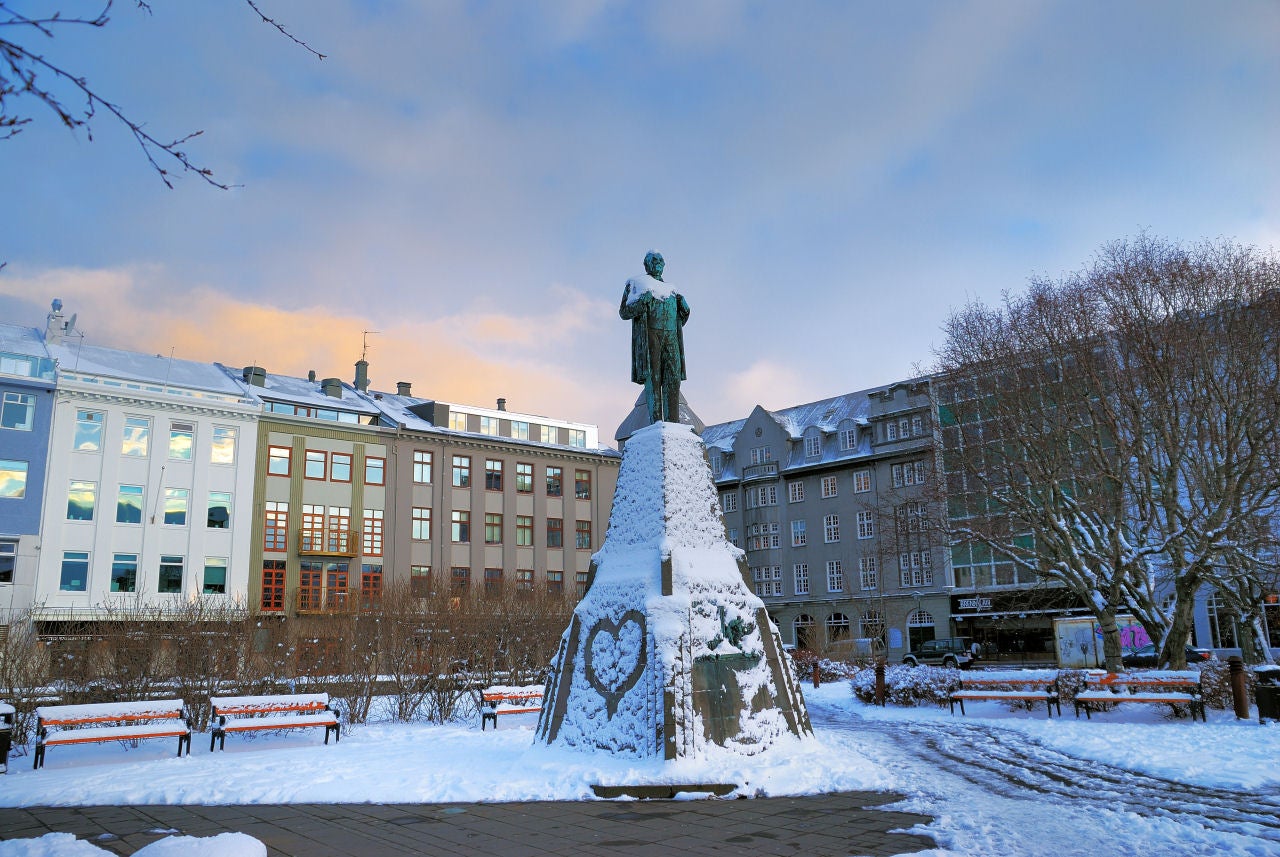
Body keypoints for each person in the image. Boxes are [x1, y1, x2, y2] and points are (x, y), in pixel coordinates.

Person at [619, 251, 690, 424]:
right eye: (654, 260)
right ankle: (656, 422)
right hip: (650, 336)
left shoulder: (671, 290)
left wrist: (685, 309)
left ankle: (673, 423)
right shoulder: (636, 284)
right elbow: (624, 312)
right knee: (654, 379)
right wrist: (642, 301)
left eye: (660, 260)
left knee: (673, 380)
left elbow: (680, 320)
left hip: (671, 337)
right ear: (646, 265)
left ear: (664, 264)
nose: (658, 262)